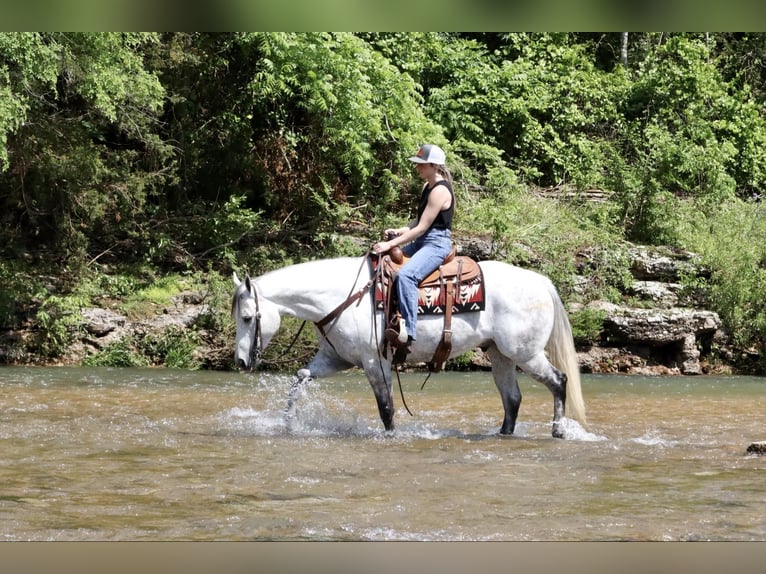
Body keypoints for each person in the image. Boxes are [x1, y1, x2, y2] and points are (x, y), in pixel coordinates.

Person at [372, 144, 454, 363]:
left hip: (436, 244)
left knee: (407, 275)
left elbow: (422, 228)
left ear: (433, 165)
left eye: (421, 164)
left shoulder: (440, 190)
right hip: (422, 241)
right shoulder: (427, 187)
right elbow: (418, 221)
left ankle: (409, 330)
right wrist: (400, 230)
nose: (417, 168)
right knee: (383, 263)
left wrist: (390, 244)